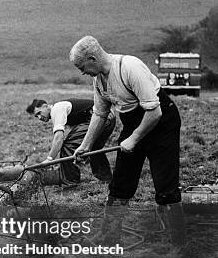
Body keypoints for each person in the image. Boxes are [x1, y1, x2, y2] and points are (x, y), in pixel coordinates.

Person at [69, 36, 185, 245]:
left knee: (165, 186)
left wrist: (134, 139)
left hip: (161, 124)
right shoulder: (98, 80)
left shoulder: (130, 67)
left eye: (82, 66)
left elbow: (154, 111)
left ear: (93, 58)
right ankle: (109, 237)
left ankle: (178, 244)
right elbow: (100, 114)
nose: (82, 72)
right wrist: (84, 146)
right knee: (120, 183)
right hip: (134, 124)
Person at [26, 98, 115, 186]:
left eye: (39, 113)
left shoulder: (57, 109)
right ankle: (105, 178)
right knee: (94, 148)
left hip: (101, 118)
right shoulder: (60, 108)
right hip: (108, 118)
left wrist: (49, 159)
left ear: (45, 106)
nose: (39, 118)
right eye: (36, 116)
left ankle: (70, 180)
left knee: (67, 145)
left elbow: (59, 138)